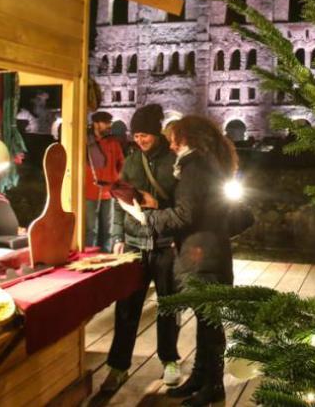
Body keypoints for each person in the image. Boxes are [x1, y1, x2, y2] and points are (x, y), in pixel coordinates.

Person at [119, 115, 237, 406]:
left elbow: (185, 215)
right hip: (207, 249)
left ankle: (213, 385)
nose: (170, 145)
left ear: (189, 139)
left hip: (202, 254)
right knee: (204, 317)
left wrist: (145, 217)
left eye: (175, 139)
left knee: (209, 321)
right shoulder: (205, 162)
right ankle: (200, 377)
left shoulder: (195, 165)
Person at [100, 104, 182, 391]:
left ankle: (170, 360)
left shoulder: (174, 162)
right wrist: (117, 236)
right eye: (136, 135)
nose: (139, 139)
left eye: (144, 134)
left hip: (164, 244)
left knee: (168, 305)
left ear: (157, 133)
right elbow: (119, 199)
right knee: (126, 308)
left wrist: (159, 205)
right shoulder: (132, 161)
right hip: (135, 243)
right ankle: (118, 366)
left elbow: (184, 205)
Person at [85, 111, 124, 251]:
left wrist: (115, 179)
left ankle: (106, 260)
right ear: (96, 123)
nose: (109, 125)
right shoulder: (85, 141)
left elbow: (121, 163)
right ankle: (89, 258)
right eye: (106, 122)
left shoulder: (113, 142)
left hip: (109, 192)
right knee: (91, 231)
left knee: (108, 231)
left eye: (109, 122)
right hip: (89, 192)